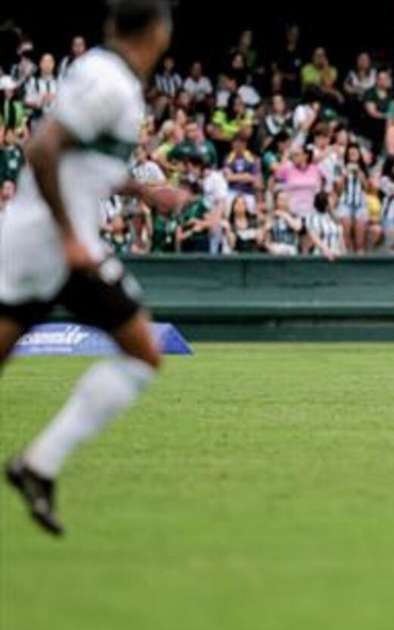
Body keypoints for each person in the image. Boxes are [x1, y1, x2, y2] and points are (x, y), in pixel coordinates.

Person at [0, 0, 188, 537]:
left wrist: (143, 191)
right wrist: (67, 236)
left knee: (141, 353)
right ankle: (37, 464)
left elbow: (80, 161)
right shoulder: (111, 84)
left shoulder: (103, 75)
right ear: (158, 33)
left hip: (50, 246)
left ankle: (36, 465)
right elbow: (41, 150)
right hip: (51, 248)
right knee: (141, 355)